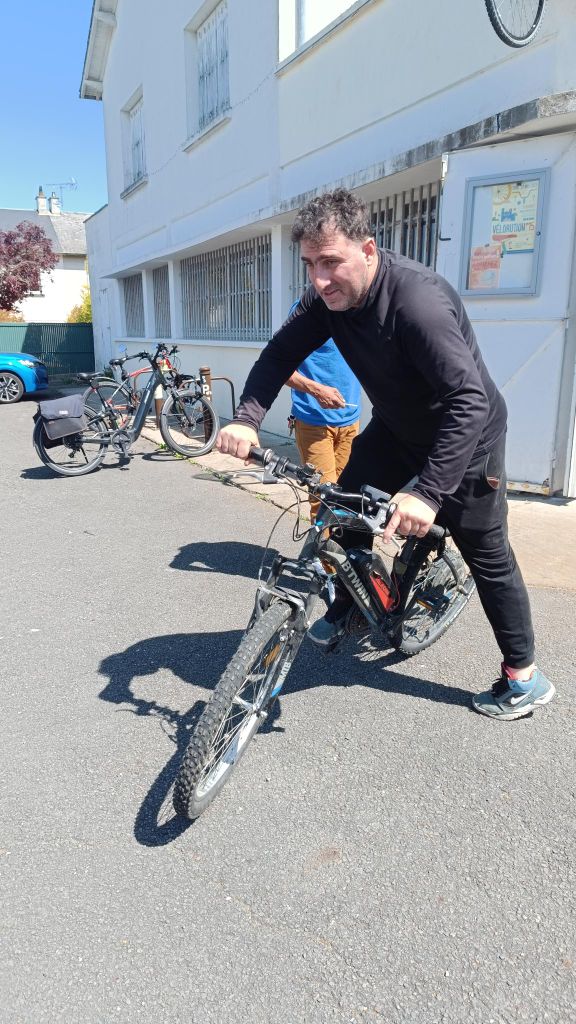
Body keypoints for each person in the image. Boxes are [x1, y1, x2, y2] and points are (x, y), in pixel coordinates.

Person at [217, 188, 555, 721]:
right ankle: (352, 603)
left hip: (468, 438)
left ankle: (523, 678)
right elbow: (280, 353)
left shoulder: (416, 303)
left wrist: (427, 493)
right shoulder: (326, 302)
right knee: (343, 507)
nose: (319, 279)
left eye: (331, 262)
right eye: (309, 264)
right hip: (398, 429)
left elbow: (468, 402)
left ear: (368, 250)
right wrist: (246, 418)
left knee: (488, 555)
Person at [286, 334, 361, 520]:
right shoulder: (303, 319)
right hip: (313, 422)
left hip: (351, 421)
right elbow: (280, 369)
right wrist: (317, 390)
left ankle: (339, 539)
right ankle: (321, 540)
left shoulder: (358, 320)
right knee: (324, 500)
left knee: (346, 497)